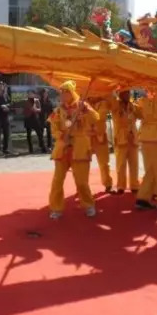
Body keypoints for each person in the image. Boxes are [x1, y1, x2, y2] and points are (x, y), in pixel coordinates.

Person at [47, 80, 99, 219]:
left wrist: (86, 110)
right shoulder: (58, 110)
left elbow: (96, 118)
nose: (63, 95)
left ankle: (88, 205)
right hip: (62, 149)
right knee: (57, 180)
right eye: (62, 92)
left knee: (82, 181)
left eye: (66, 92)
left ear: (72, 93)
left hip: (80, 148)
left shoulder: (83, 106)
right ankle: (56, 208)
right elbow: (53, 128)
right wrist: (62, 136)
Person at [110, 90, 139, 194]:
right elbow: (110, 96)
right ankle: (121, 186)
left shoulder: (134, 106)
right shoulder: (115, 105)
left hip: (133, 138)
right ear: (120, 94)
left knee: (134, 164)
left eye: (129, 92)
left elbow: (141, 115)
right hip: (121, 138)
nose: (127, 94)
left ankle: (135, 185)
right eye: (125, 93)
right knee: (121, 164)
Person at [88, 96, 113, 193]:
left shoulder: (104, 103)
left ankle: (108, 184)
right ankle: (82, 186)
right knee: (83, 164)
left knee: (104, 162)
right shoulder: (81, 102)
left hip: (100, 135)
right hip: (87, 137)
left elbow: (100, 116)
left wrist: (109, 95)